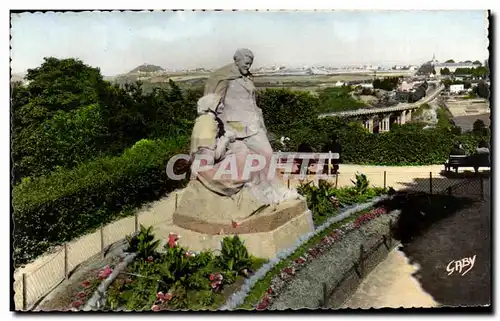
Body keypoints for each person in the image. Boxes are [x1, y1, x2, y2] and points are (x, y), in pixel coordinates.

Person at [202, 49, 300, 204]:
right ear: (237, 60)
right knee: (259, 158)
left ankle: (276, 191)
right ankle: (273, 192)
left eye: (250, 63)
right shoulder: (224, 77)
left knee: (265, 155)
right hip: (236, 128)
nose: (248, 66)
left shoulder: (247, 78)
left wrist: (260, 123)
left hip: (253, 125)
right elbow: (213, 103)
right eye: (246, 63)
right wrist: (220, 127)